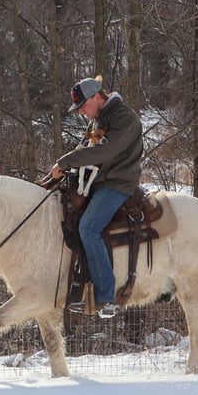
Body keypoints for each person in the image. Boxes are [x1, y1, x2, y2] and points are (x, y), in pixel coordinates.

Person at [51, 76, 143, 318]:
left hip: (118, 184)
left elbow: (104, 151)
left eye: (83, 106)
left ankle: (105, 298)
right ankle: (78, 287)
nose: (82, 112)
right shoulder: (100, 119)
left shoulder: (124, 118)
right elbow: (86, 149)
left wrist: (66, 161)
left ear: (97, 97)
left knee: (89, 227)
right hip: (98, 183)